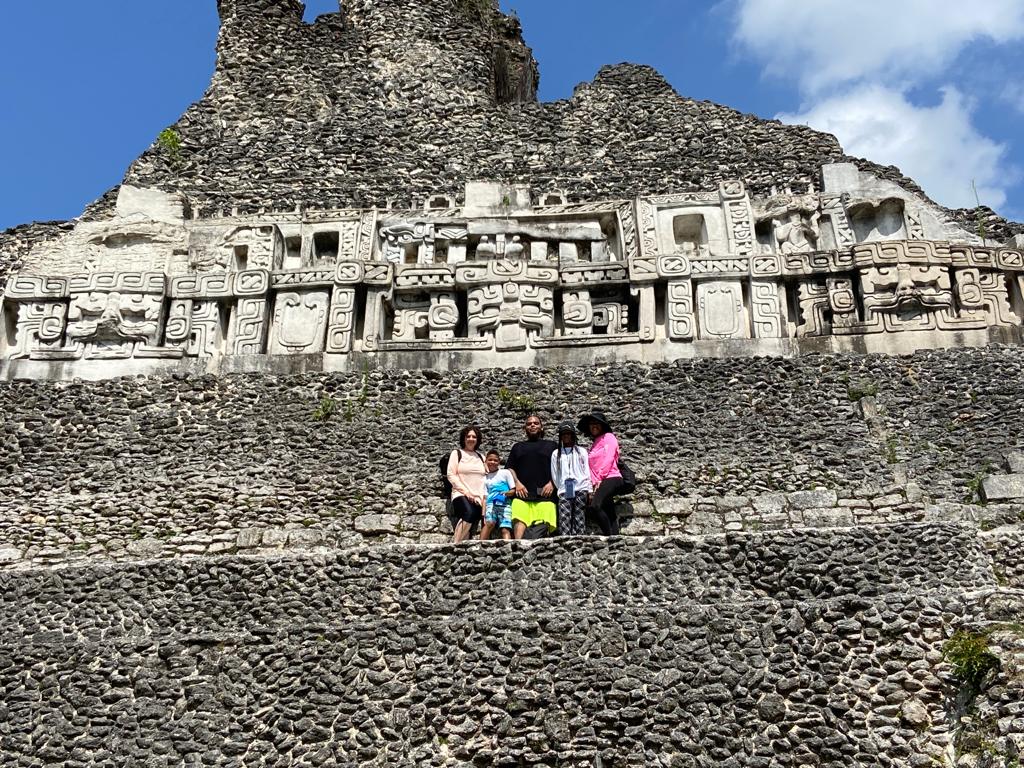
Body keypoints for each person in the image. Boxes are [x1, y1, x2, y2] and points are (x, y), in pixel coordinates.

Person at [505, 414, 558, 539]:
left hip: (545, 497)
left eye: (536, 423)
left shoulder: (552, 445)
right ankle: (518, 552)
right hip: (522, 496)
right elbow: (510, 468)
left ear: (542, 427)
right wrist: (517, 483)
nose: (532, 425)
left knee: (542, 528)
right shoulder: (517, 447)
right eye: (529, 424)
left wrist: (552, 483)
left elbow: (560, 467)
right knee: (519, 523)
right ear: (525, 428)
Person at [577, 411, 625, 536]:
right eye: (591, 424)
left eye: (597, 423)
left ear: (603, 425)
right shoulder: (594, 444)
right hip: (599, 481)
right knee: (608, 509)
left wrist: (599, 479)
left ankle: (609, 537)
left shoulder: (609, 437)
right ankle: (616, 538)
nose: (594, 426)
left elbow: (609, 459)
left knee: (595, 506)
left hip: (611, 477)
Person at [550, 422, 591, 536]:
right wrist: (561, 486)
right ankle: (565, 542)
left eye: (569, 434)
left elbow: (586, 470)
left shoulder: (581, 451)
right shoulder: (556, 454)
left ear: (573, 435)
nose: (566, 436)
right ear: (561, 437)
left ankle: (580, 540)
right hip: (564, 489)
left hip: (581, 487)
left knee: (579, 515)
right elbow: (555, 474)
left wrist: (589, 489)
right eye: (564, 434)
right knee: (564, 517)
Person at [446, 425, 486, 543]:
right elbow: (451, 474)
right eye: (468, 436)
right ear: (463, 438)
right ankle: (456, 544)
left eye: (474, 436)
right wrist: (466, 492)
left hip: (478, 497)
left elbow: (486, 477)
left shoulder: (481, 457)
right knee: (469, 513)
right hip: (461, 493)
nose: (471, 439)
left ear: (477, 440)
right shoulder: (457, 453)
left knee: (475, 516)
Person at [481, 450, 515, 541]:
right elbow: (485, 497)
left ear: (499, 462)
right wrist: (483, 514)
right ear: (486, 461)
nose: (492, 462)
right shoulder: (485, 478)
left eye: (495, 460)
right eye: (490, 460)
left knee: (505, 528)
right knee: (489, 524)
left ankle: (508, 549)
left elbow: (513, 490)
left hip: (505, 504)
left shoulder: (505, 473)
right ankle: (480, 547)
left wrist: (506, 493)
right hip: (491, 505)